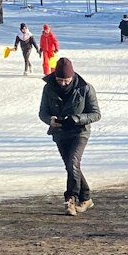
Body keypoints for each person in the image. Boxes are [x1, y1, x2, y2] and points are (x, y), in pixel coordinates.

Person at [38, 57, 101, 215]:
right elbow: (42, 112)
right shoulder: (49, 88)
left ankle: (70, 199)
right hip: (60, 132)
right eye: (60, 80)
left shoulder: (85, 88)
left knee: (73, 162)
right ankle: (86, 198)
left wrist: (78, 118)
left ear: (72, 76)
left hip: (80, 132)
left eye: (67, 80)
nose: (63, 83)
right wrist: (49, 120)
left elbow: (96, 114)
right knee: (71, 166)